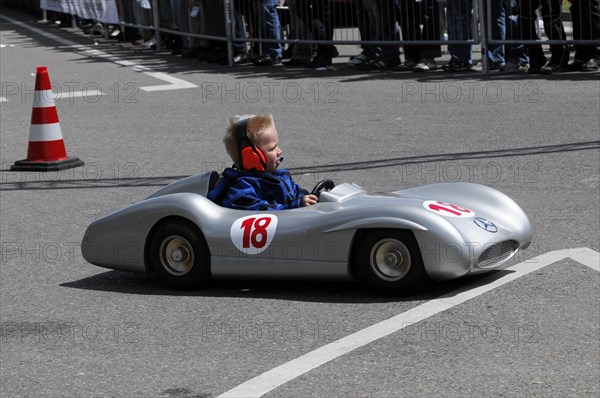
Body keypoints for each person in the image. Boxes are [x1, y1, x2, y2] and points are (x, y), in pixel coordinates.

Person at [208, 115, 318, 210]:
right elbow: (260, 211)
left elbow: (299, 193)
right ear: (252, 157)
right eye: (273, 148)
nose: (279, 151)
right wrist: (296, 205)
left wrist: (316, 197)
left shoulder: (280, 177)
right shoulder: (241, 187)